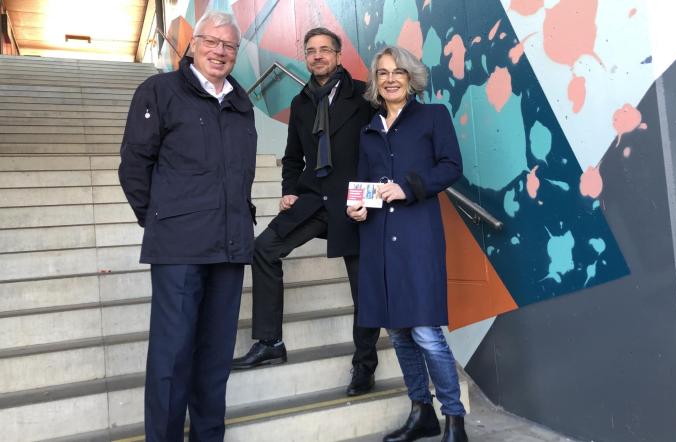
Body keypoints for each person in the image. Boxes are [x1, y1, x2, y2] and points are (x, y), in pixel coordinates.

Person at [118, 10, 256, 441]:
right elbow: (134, 168)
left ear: (236, 53)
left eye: (229, 46)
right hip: (179, 248)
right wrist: (161, 220)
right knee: (172, 358)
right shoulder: (159, 91)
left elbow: (239, 174)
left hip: (230, 247)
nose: (219, 51)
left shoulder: (240, 101)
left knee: (214, 359)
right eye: (211, 42)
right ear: (193, 44)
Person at [231, 27, 381, 397]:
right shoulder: (301, 102)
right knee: (263, 248)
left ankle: (364, 366)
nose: (317, 56)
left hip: (354, 202)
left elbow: (384, 152)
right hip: (313, 199)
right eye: (311, 50)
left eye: (324, 50)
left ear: (338, 55)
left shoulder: (365, 95)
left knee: (365, 291)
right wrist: (288, 191)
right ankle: (270, 343)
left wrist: (370, 199)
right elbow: (293, 156)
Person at [347, 46, 468, 442]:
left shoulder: (433, 117)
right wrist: (357, 209)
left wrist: (409, 187)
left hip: (418, 237)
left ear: (412, 77)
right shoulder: (369, 129)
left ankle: (453, 417)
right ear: (375, 83)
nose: (390, 78)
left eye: (398, 71)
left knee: (426, 332)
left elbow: (451, 167)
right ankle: (422, 412)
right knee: (398, 332)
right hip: (379, 239)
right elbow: (363, 184)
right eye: (382, 73)